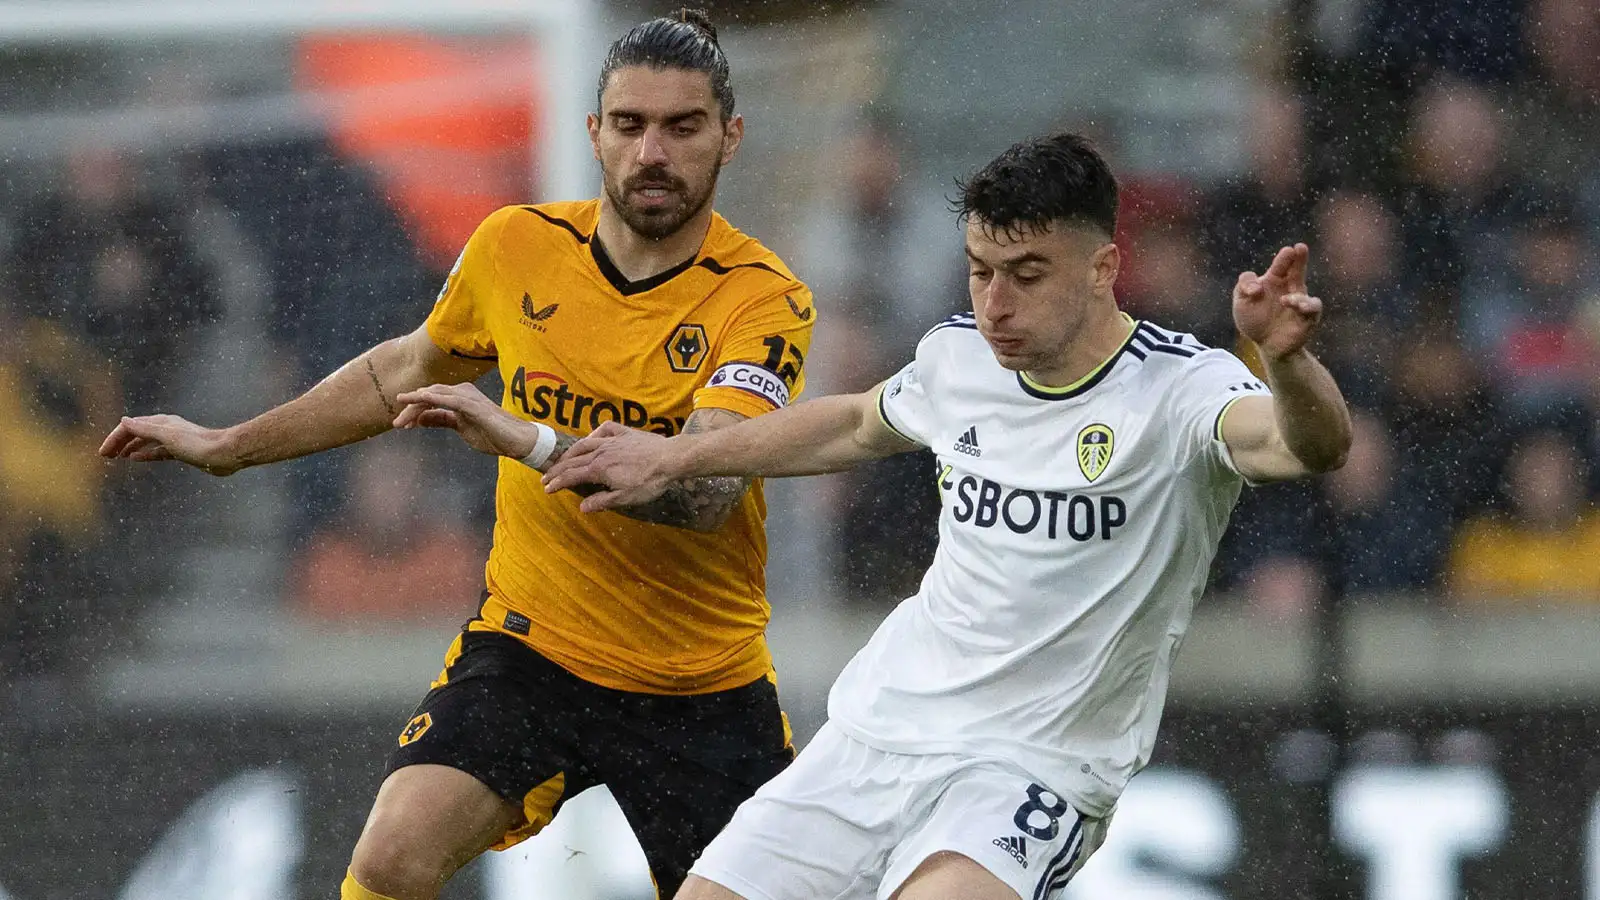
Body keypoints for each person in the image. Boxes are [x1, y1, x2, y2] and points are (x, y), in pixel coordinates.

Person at [412, 133, 1352, 899]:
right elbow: (855, 422)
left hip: (1033, 768)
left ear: (1105, 266)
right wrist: (679, 451)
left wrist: (1289, 363)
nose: (995, 302)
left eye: (1027, 273)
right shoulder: (958, 359)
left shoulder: (1181, 389)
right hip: (882, 731)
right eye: (981, 269)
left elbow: (1309, 447)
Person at [98, 10, 814, 900]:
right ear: (594, 132)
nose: (652, 153)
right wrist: (233, 446)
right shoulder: (516, 246)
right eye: (629, 125)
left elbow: (705, 487)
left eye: (682, 126)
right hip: (532, 651)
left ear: (730, 136)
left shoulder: (763, 299)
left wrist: (534, 440)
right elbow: (402, 368)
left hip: (699, 683)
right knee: (390, 859)